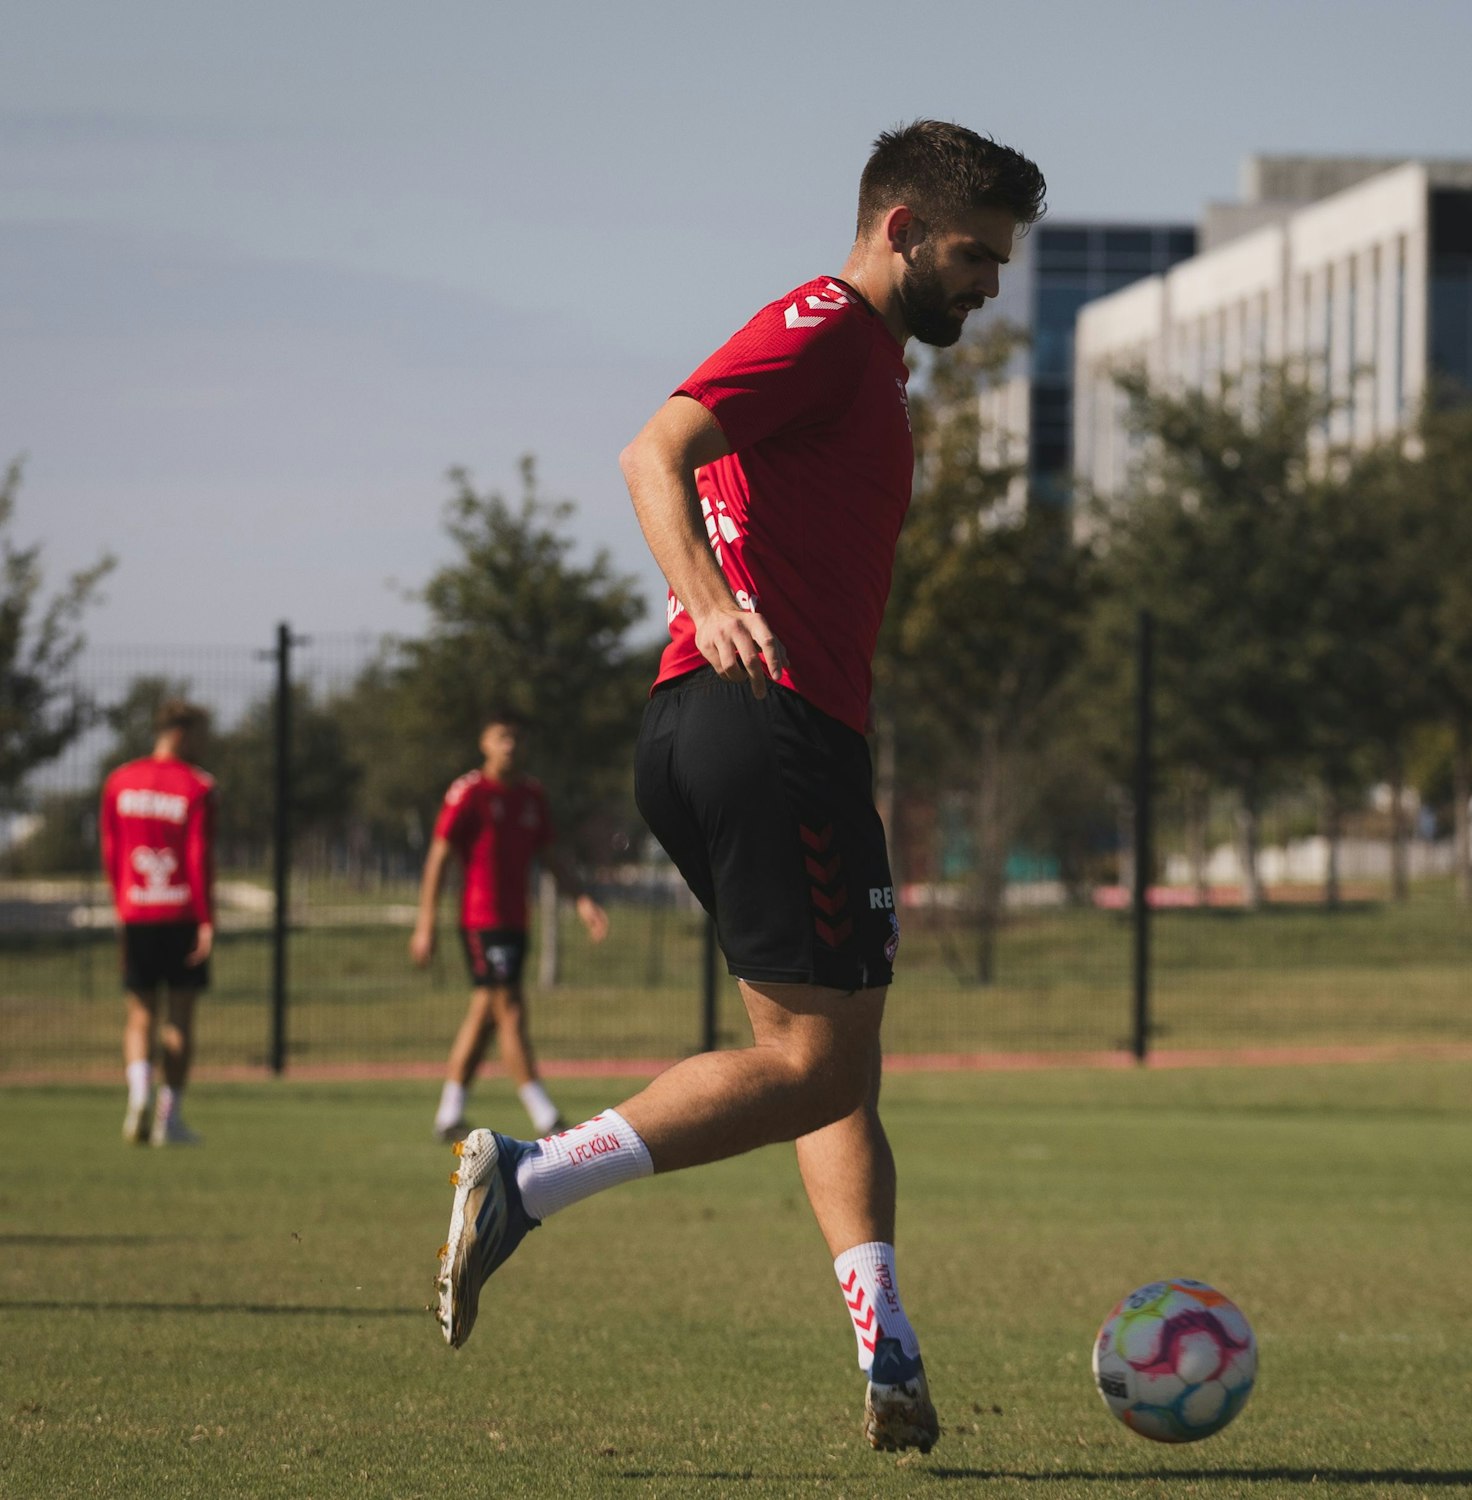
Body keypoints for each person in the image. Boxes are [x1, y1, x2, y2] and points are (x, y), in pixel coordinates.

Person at [431, 120, 1046, 1455]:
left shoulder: (869, 364)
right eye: (975, 255)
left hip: (738, 730)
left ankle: (886, 1346)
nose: (991, 282)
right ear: (899, 229)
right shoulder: (825, 323)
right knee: (818, 1060)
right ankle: (529, 1180)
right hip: (768, 724)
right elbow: (653, 449)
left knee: (828, 1063)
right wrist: (711, 603)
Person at [410, 712, 611, 1141]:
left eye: (516, 738)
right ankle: (546, 1115)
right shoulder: (468, 793)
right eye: (501, 737)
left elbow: (552, 857)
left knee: (485, 1014)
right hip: (481, 920)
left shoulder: (531, 795)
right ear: (483, 742)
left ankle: (449, 1114)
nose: (510, 745)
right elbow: (438, 858)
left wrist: (582, 899)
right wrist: (425, 922)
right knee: (510, 1010)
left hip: (517, 921)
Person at [100, 699, 216, 1146]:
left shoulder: (119, 781)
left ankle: (137, 1096)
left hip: (136, 910)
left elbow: (111, 850)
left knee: (139, 1013)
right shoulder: (198, 785)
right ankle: (170, 1118)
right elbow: (198, 856)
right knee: (179, 1018)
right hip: (182, 911)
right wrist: (207, 920)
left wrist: (120, 905)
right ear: (183, 733)